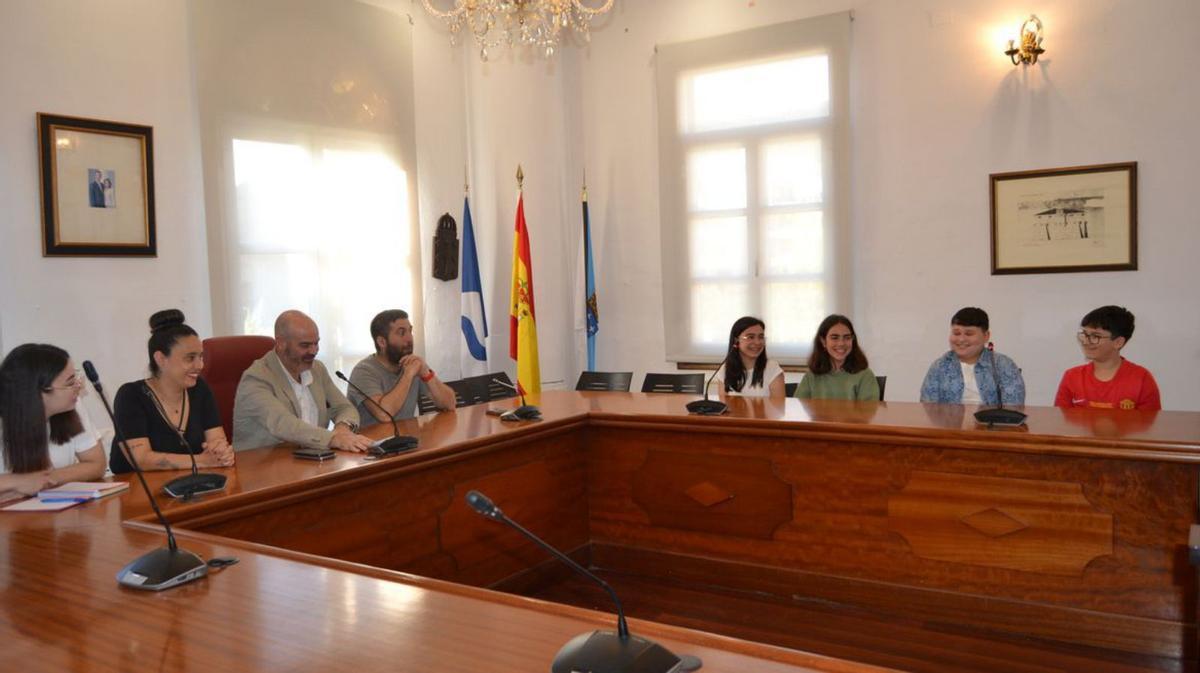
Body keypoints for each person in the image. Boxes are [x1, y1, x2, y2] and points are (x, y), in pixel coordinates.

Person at [109, 310, 235, 474]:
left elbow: (217, 441)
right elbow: (141, 459)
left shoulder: (200, 389)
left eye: (201, 357)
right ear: (161, 359)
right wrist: (201, 461)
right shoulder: (131, 395)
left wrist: (222, 453)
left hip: (192, 485)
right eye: (190, 358)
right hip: (138, 492)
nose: (200, 365)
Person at [232, 310, 372, 452]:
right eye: (305, 345)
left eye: (316, 343)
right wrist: (332, 439)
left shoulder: (317, 369)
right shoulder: (256, 379)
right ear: (281, 343)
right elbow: (283, 424)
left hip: (310, 460)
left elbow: (344, 408)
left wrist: (343, 429)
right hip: (262, 465)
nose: (313, 351)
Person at [0, 344, 106, 501]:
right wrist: (18, 482)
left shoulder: (72, 406)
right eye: (70, 383)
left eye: (76, 377)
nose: (80, 386)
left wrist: (45, 479)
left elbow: (96, 464)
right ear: (36, 391)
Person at [348, 310, 456, 427]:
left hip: (406, 440)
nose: (409, 338)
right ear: (382, 342)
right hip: (371, 443)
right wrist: (408, 375)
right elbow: (384, 415)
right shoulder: (364, 371)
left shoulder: (413, 364)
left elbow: (450, 404)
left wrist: (426, 373)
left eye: (410, 331)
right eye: (401, 333)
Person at [1054, 305, 1160, 410]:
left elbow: (1150, 425)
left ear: (1118, 342)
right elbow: (1061, 422)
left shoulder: (1142, 379)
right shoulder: (1072, 377)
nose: (1086, 341)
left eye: (1095, 336)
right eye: (1085, 334)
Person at [920, 307, 1025, 405]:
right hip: (949, 424)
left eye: (969, 334)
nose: (961, 339)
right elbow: (928, 408)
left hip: (992, 424)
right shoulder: (940, 366)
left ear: (986, 336)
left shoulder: (1003, 365)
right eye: (956, 333)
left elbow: (1013, 408)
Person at [794, 314, 880, 401]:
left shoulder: (865, 375)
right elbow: (798, 409)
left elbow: (868, 413)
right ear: (823, 341)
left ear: (852, 340)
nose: (841, 343)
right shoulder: (811, 376)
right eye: (834, 338)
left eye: (847, 337)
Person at [711, 316, 785, 398]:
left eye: (761, 337)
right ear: (736, 340)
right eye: (750, 337)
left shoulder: (772, 368)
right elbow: (724, 406)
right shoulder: (725, 369)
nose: (757, 342)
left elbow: (779, 408)